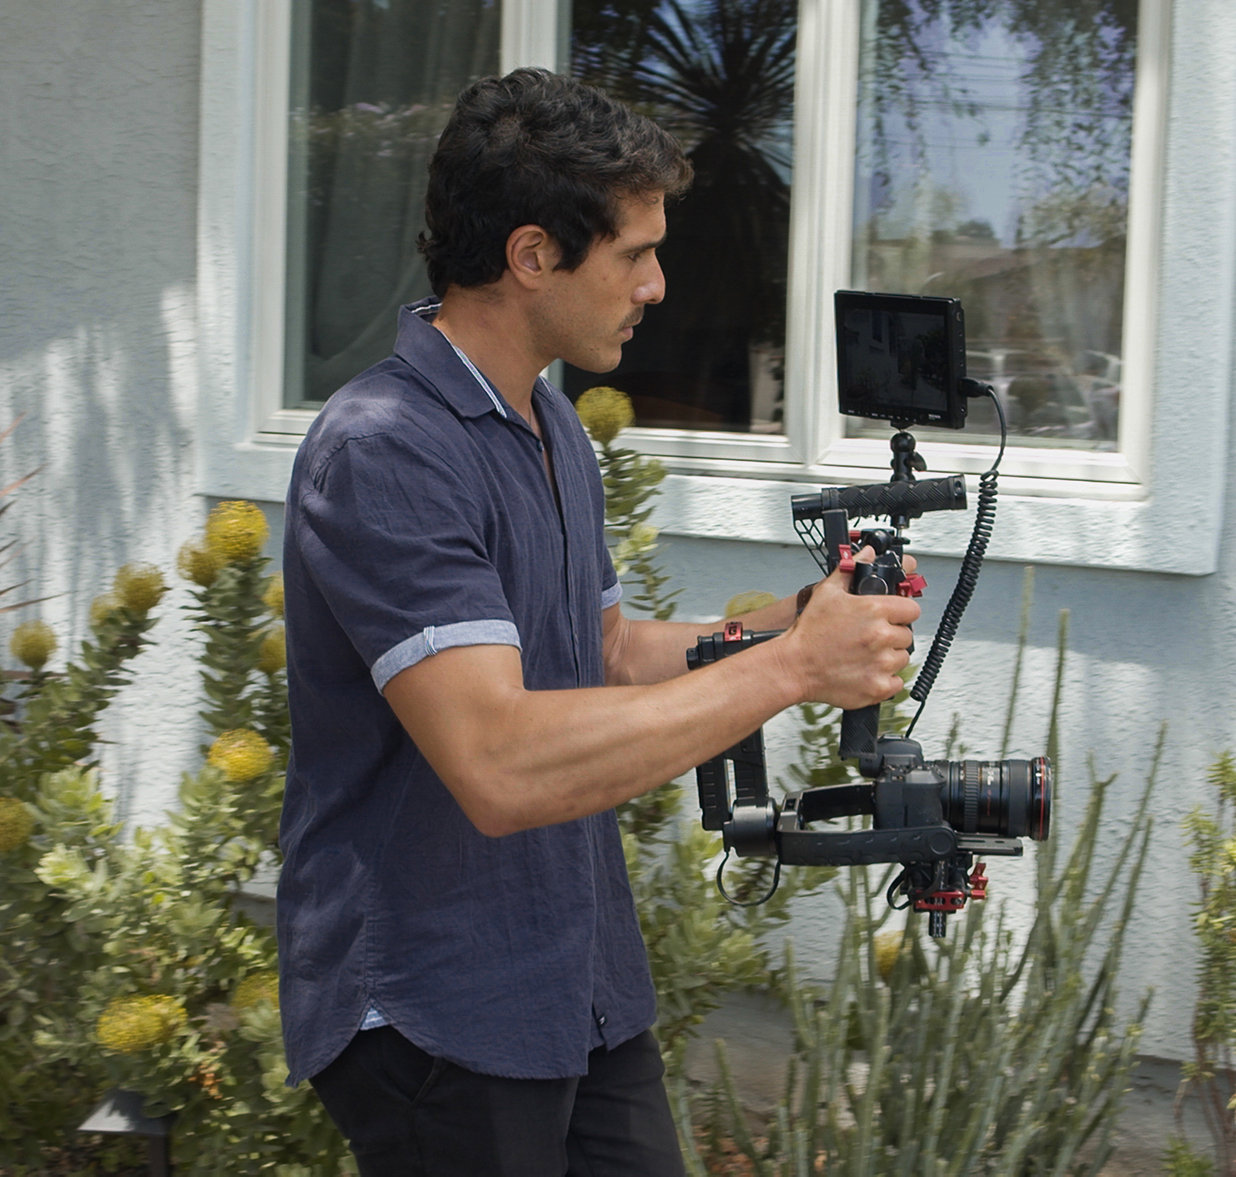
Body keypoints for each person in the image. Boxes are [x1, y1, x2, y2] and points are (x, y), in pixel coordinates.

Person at [275, 68, 920, 1176]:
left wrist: (787, 627)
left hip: (573, 980)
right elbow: (499, 762)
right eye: (635, 254)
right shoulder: (383, 447)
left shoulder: (552, 429)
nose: (660, 285)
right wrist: (791, 673)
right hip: (436, 1001)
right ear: (534, 256)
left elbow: (609, 652)